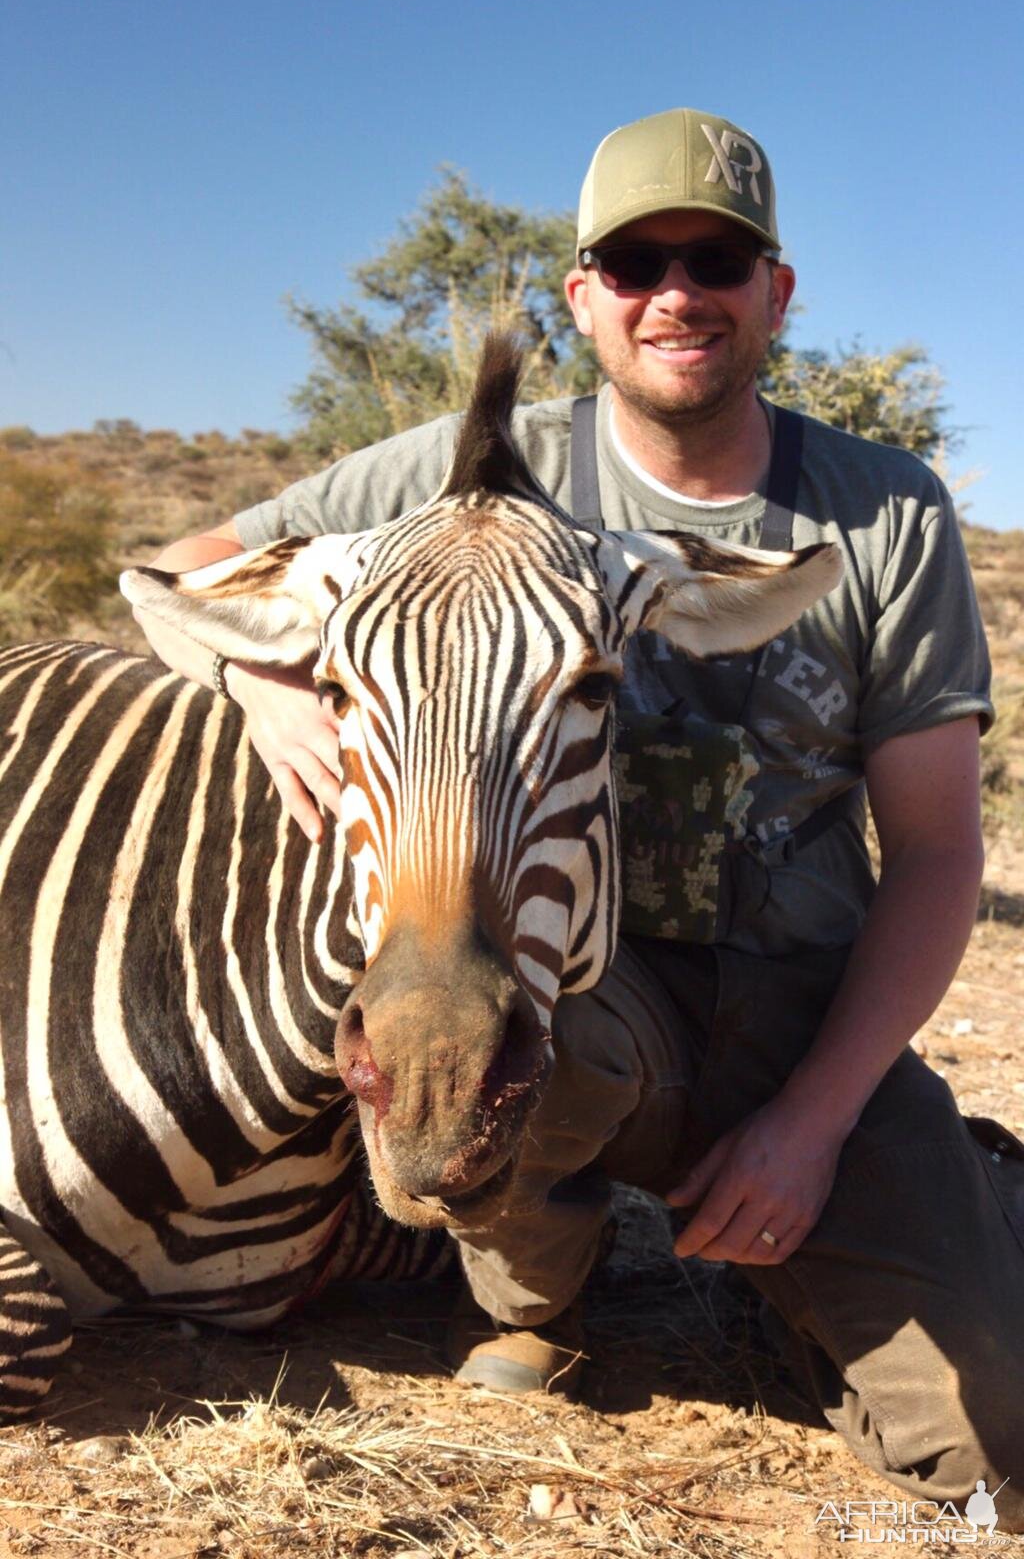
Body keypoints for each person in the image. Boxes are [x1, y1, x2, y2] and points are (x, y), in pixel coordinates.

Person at [137, 108, 1024, 1523]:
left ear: (774, 292)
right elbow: (180, 574)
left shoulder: (883, 514)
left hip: (807, 1008)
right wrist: (267, 689)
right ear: (584, 296)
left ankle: (906, 1212)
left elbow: (936, 855)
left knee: (991, 1447)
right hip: (589, 997)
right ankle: (536, 1285)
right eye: (635, 261)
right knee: (469, 1030)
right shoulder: (469, 472)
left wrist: (814, 1120)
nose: (677, 290)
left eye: (717, 259)